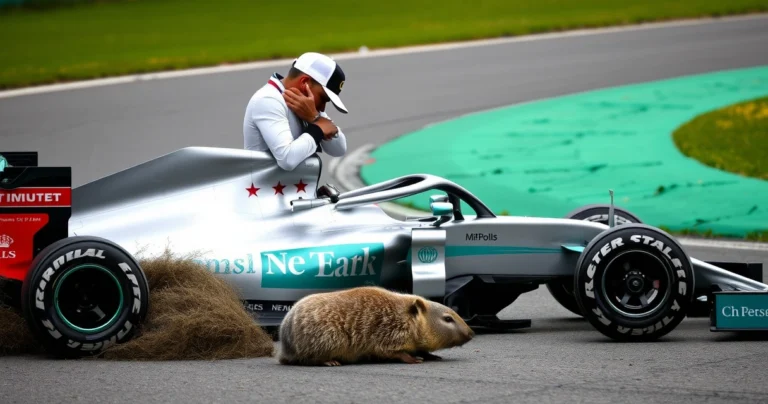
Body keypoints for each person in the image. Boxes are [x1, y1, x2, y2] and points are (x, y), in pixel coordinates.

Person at [243, 52, 348, 171]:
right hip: (267, 189)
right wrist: (317, 129)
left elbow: (339, 149)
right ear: (304, 83)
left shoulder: (307, 106)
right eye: (323, 99)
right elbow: (287, 159)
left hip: (292, 188)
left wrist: (315, 118)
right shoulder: (268, 100)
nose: (323, 108)